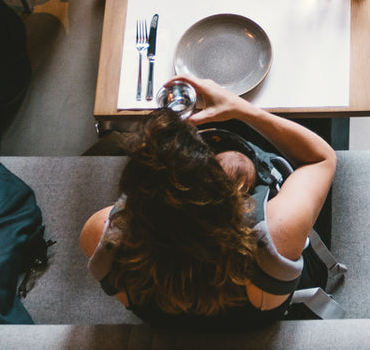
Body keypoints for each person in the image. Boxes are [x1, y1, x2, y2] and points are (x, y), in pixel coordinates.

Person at [81, 76, 336, 327]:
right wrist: (243, 110)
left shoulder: (101, 235)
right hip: (260, 301)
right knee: (315, 117)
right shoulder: (278, 233)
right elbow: (321, 158)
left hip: (174, 324)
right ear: (227, 197)